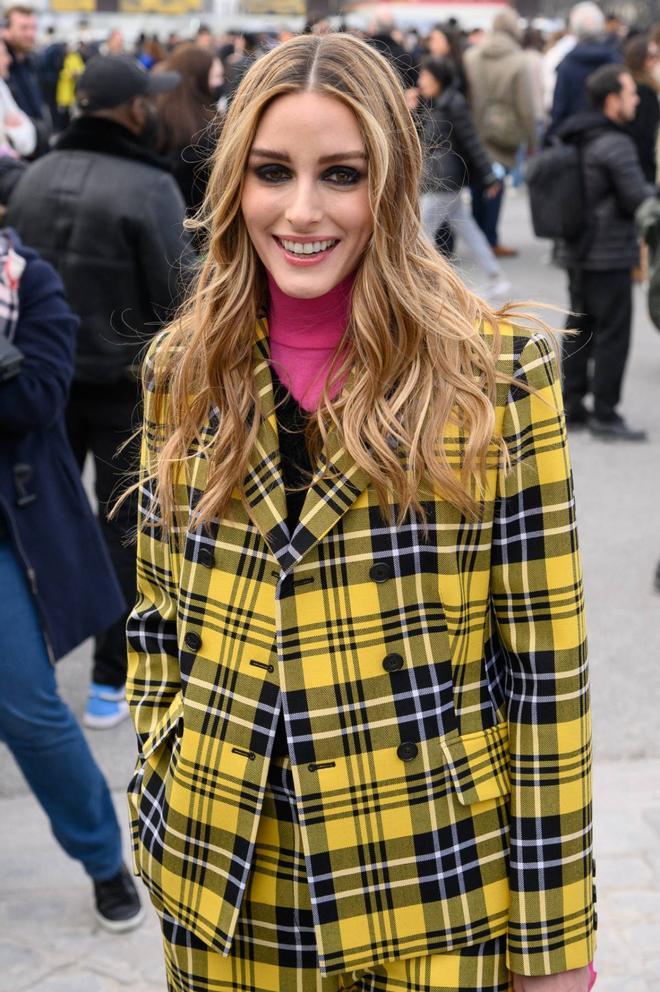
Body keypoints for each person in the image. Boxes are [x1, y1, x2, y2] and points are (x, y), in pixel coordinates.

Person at [126, 32, 596, 992]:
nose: (303, 211)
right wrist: (162, 779)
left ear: (391, 183)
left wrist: (556, 943)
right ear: (232, 184)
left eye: (341, 174)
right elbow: (157, 615)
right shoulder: (182, 366)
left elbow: (546, 674)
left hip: (428, 875)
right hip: (228, 873)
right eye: (271, 172)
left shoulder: (496, 371)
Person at [6, 54, 194, 728]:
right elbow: (182, 297)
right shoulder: (150, 188)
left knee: (37, 524)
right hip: (121, 385)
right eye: (147, 98)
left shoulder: (31, 179)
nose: (154, 107)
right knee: (125, 530)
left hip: (36, 385)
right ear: (132, 109)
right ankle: (113, 680)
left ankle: (33, 669)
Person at [0, 228, 143, 932]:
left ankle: (102, 858)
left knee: (27, 709)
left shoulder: (29, 284)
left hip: (9, 532)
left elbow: (34, 401)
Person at [556, 63, 655, 439]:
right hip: (608, 252)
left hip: (576, 249)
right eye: (630, 93)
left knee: (580, 327)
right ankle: (606, 413)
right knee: (614, 332)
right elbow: (637, 199)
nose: (636, 100)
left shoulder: (578, 133)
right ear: (612, 100)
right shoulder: (615, 142)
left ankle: (573, 405)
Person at [413, 56, 510, 300]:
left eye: (426, 76)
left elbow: (471, 140)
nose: (421, 81)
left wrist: (489, 176)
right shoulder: (433, 103)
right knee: (466, 229)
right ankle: (495, 276)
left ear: (438, 79)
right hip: (441, 180)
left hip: (443, 181)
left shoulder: (452, 103)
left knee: (419, 235)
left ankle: (420, 287)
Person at [464, 9, 537, 257]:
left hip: (474, 128)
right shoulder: (519, 60)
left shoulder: (472, 56)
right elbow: (527, 107)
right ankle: (490, 238)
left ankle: (479, 236)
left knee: (477, 182)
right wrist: (532, 140)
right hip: (504, 132)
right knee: (497, 184)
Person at [155, 43, 223, 213]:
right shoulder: (212, 127)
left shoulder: (155, 115)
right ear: (197, 81)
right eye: (216, 76)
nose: (221, 83)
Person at [548, 2, 620, 138]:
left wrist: (552, 138)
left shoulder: (567, 64)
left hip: (575, 137)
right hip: (610, 136)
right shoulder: (615, 61)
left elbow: (559, 107)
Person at [3, 3, 50, 154]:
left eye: (33, 28)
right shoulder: (4, 68)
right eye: (23, 28)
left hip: (38, 150)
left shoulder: (32, 63)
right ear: (6, 30)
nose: (30, 34)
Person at [623, 32, 660, 184]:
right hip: (644, 162)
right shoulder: (644, 90)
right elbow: (646, 133)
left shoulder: (639, 83)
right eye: (652, 56)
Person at [0, 37, 35, 157]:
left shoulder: (2, 85)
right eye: (4, 54)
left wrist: (8, 137)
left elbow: (27, 142)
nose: (9, 60)